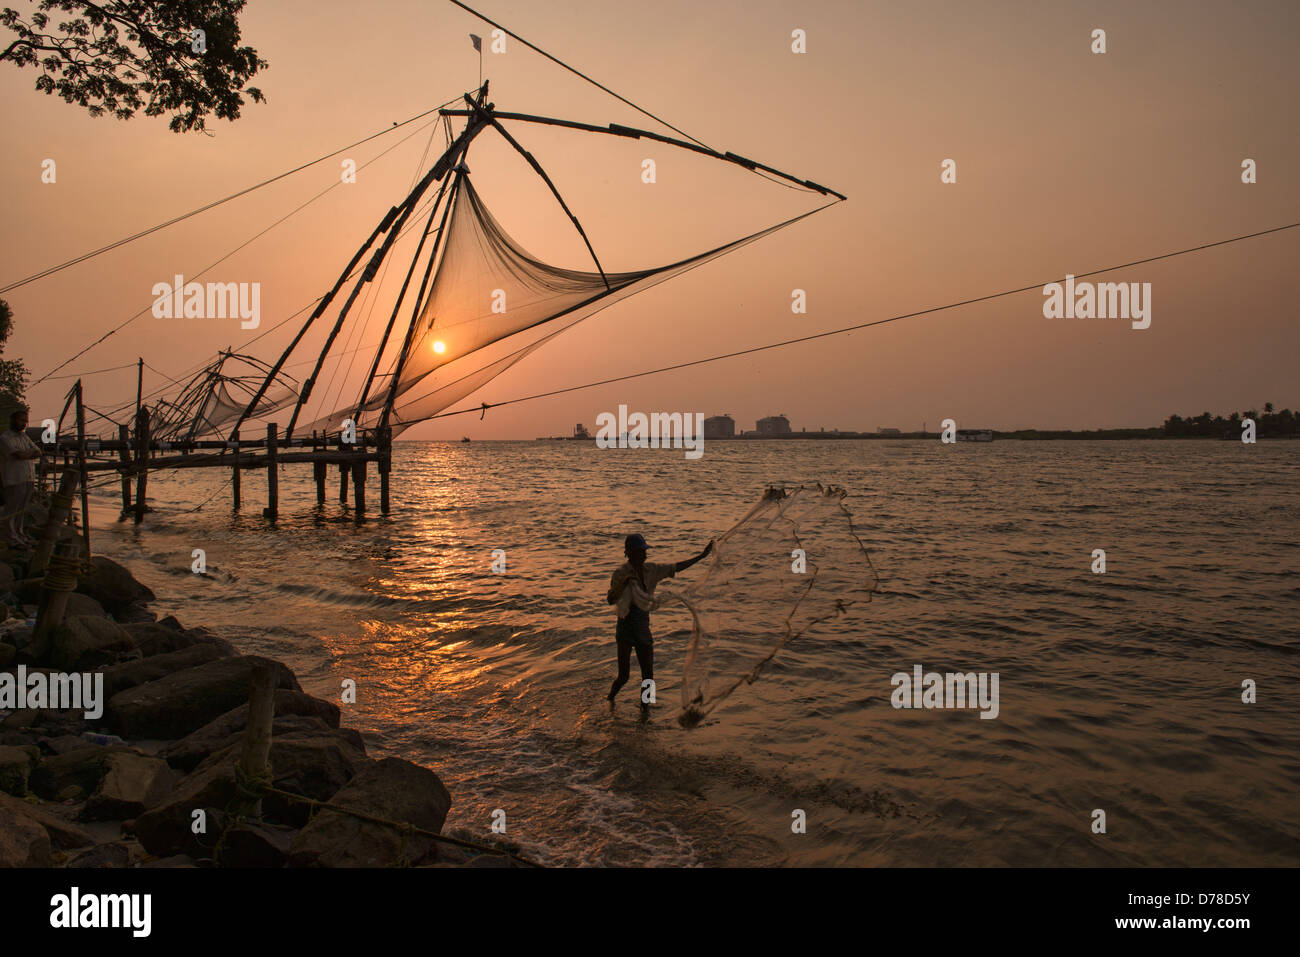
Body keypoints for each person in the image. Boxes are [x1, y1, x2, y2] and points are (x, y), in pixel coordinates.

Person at [606, 532, 713, 708]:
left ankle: (645, 709)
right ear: (629, 553)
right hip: (625, 625)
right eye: (639, 551)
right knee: (624, 676)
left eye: (644, 551)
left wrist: (702, 556)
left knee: (648, 674)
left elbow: (677, 567)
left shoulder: (652, 570)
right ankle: (610, 699)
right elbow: (610, 599)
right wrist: (625, 582)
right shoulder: (620, 573)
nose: (643, 554)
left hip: (642, 625)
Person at [1, 408, 41, 548]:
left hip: (28, 477)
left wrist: (26, 454)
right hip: (14, 479)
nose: (24, 423)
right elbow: (17, 455)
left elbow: (38, 452)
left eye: (25, 421)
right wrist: (28, 453)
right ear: (13, 420)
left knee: (22, 509)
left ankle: (20, 534)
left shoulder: (24, 437)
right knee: (12, 509)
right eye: (21, 420)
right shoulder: (5, 438)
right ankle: (10, 537)